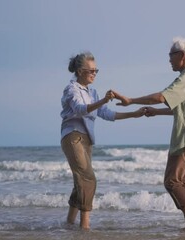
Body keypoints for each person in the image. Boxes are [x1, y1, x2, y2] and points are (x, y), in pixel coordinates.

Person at [112, 37, 185, 231]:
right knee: (183, 183)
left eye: (170, 55)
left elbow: (161, 97)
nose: (169, 60)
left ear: (182, 56)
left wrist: (131, 100)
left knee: (172, 182)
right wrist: (157, 112)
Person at [61, 52, 145, 230]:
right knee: (88, 178)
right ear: (79, 71)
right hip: (72, 136)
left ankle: (69, 223)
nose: (94, 74)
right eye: (91, 70)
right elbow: (81, 109)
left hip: (87, 139)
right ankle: (85, 227)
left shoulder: (93, 92)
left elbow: (106, 114)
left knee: (80, 181)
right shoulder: (72, 89)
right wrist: (103, 100)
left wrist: (134, 114)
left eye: (96, 71)